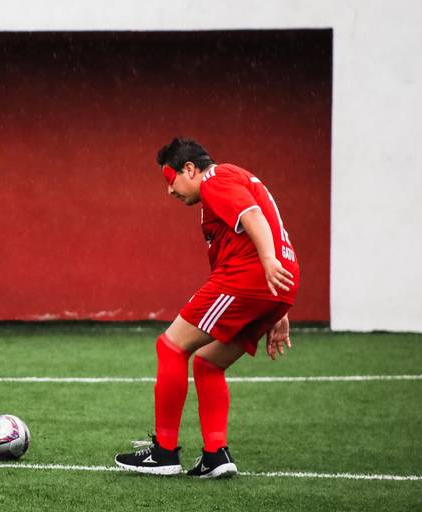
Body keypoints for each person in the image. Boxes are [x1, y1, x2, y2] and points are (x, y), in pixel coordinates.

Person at [115, 137, 300, 478]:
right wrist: (279, 306)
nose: (169, 191)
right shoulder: (234, 180)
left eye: (170, 181)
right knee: (208, 363)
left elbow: (254, 215)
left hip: (251, 275)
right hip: (275, 284)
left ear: (189, 169)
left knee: (170, 346)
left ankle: (164, 453)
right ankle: (216, 456)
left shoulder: (215, 179)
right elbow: (262, 222)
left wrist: (267, 261)